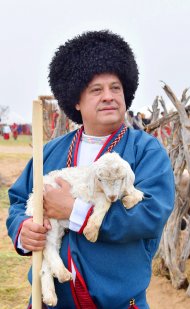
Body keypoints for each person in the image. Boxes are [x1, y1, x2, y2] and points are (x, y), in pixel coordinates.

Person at [6, 30, 175, 309]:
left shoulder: (146, 151)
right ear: (76, 99)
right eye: (96, 90)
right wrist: (23, 230)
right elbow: (18, 201)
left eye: (115, 88)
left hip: (119, 302)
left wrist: (74, 211)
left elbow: (151, 213)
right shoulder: (50, 152)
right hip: (51, 302)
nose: (108, 96)